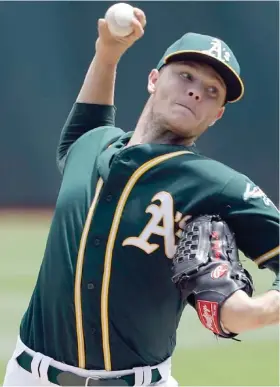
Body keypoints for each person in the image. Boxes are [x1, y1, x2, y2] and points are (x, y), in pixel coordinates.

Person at [3, 6, 279, 387]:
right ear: (153, 79)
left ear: (217, 114)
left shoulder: (217, 184)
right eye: (185, 75)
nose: (196, 90)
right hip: (27, 375)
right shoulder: (90, 144)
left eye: (212, 91)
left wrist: (258, 310)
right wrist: (108, 52)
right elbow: (90, 119)